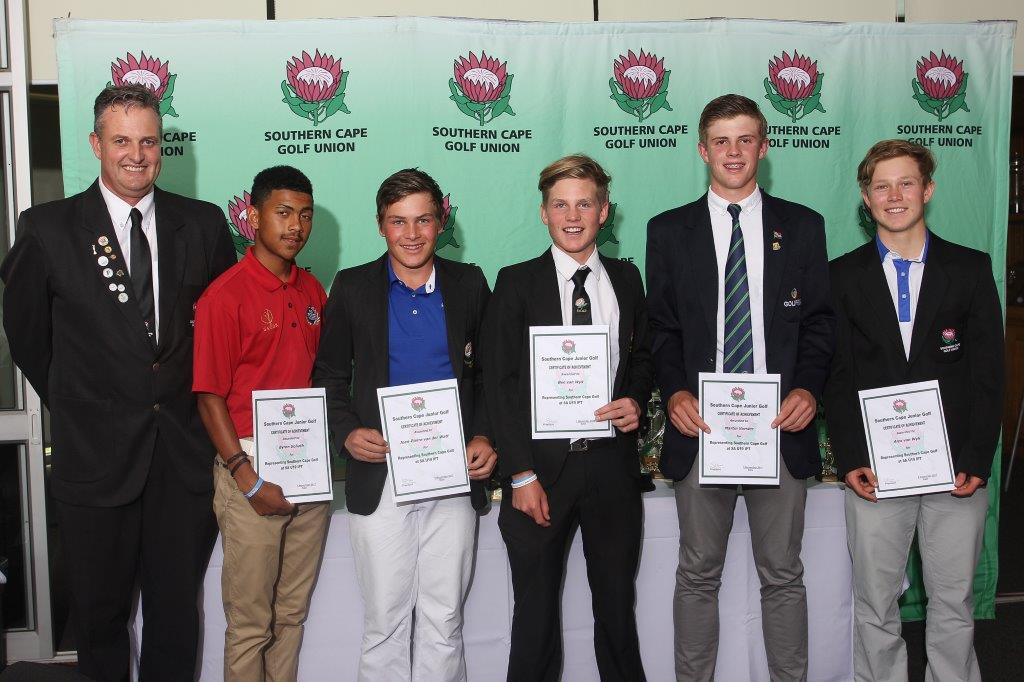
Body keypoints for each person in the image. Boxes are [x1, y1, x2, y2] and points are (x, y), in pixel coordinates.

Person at [0, 84, 235, 681]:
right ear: (96, 144)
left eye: (149, 141)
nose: (137, 154)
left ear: (162, 146)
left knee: (175, 614)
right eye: (122, 141)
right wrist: (84, 403)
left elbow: (219, 337)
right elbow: (28, 338)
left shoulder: (203, 225)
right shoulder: (47, 229)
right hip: (93, 459)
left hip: (180, 460)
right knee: (100, 618)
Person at [645, 94, 835, 682]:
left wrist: (808, 389)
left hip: (778, 426)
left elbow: (820, 323)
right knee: (697, 574)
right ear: (703, 150)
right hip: (702, 427)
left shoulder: (802, 226)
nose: (734, 152)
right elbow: (661, 328)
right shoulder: (668, 230)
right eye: (721, 141)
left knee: (783, 573)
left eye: (745, 139)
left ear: (764, 147)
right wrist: (675, 392)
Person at [823, 140, 1003, 682]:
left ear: (928, 189)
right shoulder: (841, 276)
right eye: (881, 186)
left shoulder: (970, 269)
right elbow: (837, 376)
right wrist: (851, 458)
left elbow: (989, 374)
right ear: (866, 197)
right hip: (876, 471)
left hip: (956, 472)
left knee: (953, 602)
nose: (894, 195)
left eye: (906, 183)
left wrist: (977, 458)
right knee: (875, 603)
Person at [313, 168, 496, 681]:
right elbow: (328, 375)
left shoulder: (470, 284)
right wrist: (347, 431)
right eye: (398, 221)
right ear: (380, 225)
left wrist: (485, 435)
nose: (411, 234)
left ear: (441, 221)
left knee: (445, 618)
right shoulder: (352, 287)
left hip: (453, 472)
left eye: (423, 220)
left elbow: (490, 376)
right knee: (385, 622)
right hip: (383, 472)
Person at [483, 154, 653, 682]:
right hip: (539, 475)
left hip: (611, 469)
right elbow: (499, 383)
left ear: (604, 211)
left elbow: (643, 357)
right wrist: (520, 474)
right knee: (534, 622)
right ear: (543, 213)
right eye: (560, 205)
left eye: (584, 204)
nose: (572, 216)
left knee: (618, 615)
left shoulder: (627, 278)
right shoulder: (515, 283)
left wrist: (635, 400)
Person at [192, 165, 330, 681]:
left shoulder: (313, 291)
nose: (296, 226)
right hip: (250, 469)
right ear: (253, 217)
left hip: (308, 472)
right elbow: (209, 396)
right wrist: (246, 478)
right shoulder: (224, 296)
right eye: (283, 213)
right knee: (251, 623)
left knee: (291, 615)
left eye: (306, 215)